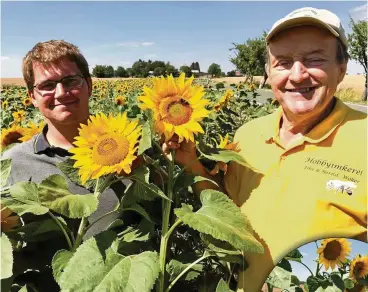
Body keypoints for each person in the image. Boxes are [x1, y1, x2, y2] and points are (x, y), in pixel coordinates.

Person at [165, 7, 367, 291]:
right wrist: (192, 164)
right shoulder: (249, 134)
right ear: (269, 72)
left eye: (315, 59)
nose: (297, 75)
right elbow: (227, 209)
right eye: (283, 62)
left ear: (342, 68)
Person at [1, 40, 128, 290]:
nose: (60, 93)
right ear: (32, 97)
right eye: (47, 85)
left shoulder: (131, 148)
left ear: (89, 85)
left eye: (70, 81)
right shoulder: (12, 163)